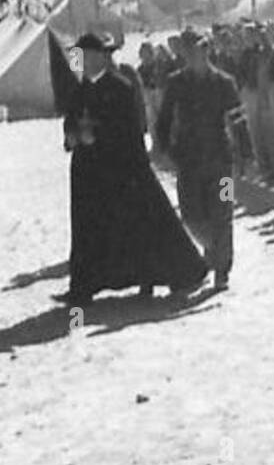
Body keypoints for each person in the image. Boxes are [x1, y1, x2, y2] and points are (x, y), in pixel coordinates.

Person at [61, 32, 208, 303]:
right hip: (88, 170)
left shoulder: (120, 87)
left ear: (97, 57)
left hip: (119, 169)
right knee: (89, 228)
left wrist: (98, 136)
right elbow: (71, 118)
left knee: (141, 225)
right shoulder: (80, 88)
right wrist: (72, 136)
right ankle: (84, 285)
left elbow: (128, 129)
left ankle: (161, 275)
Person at [155, 29, 249, 291]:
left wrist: (246, 154)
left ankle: (222, 268)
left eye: (199, 49)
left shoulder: (224, 82)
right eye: (189, 51)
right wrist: (164, 149)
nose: (195, 55)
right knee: (191, 215)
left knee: (223, 213)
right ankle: (210, 247)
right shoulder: (176, 83)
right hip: (188, 159)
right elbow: (164, 119)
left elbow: (238, 121)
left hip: (221, 159)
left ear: (207, 50)